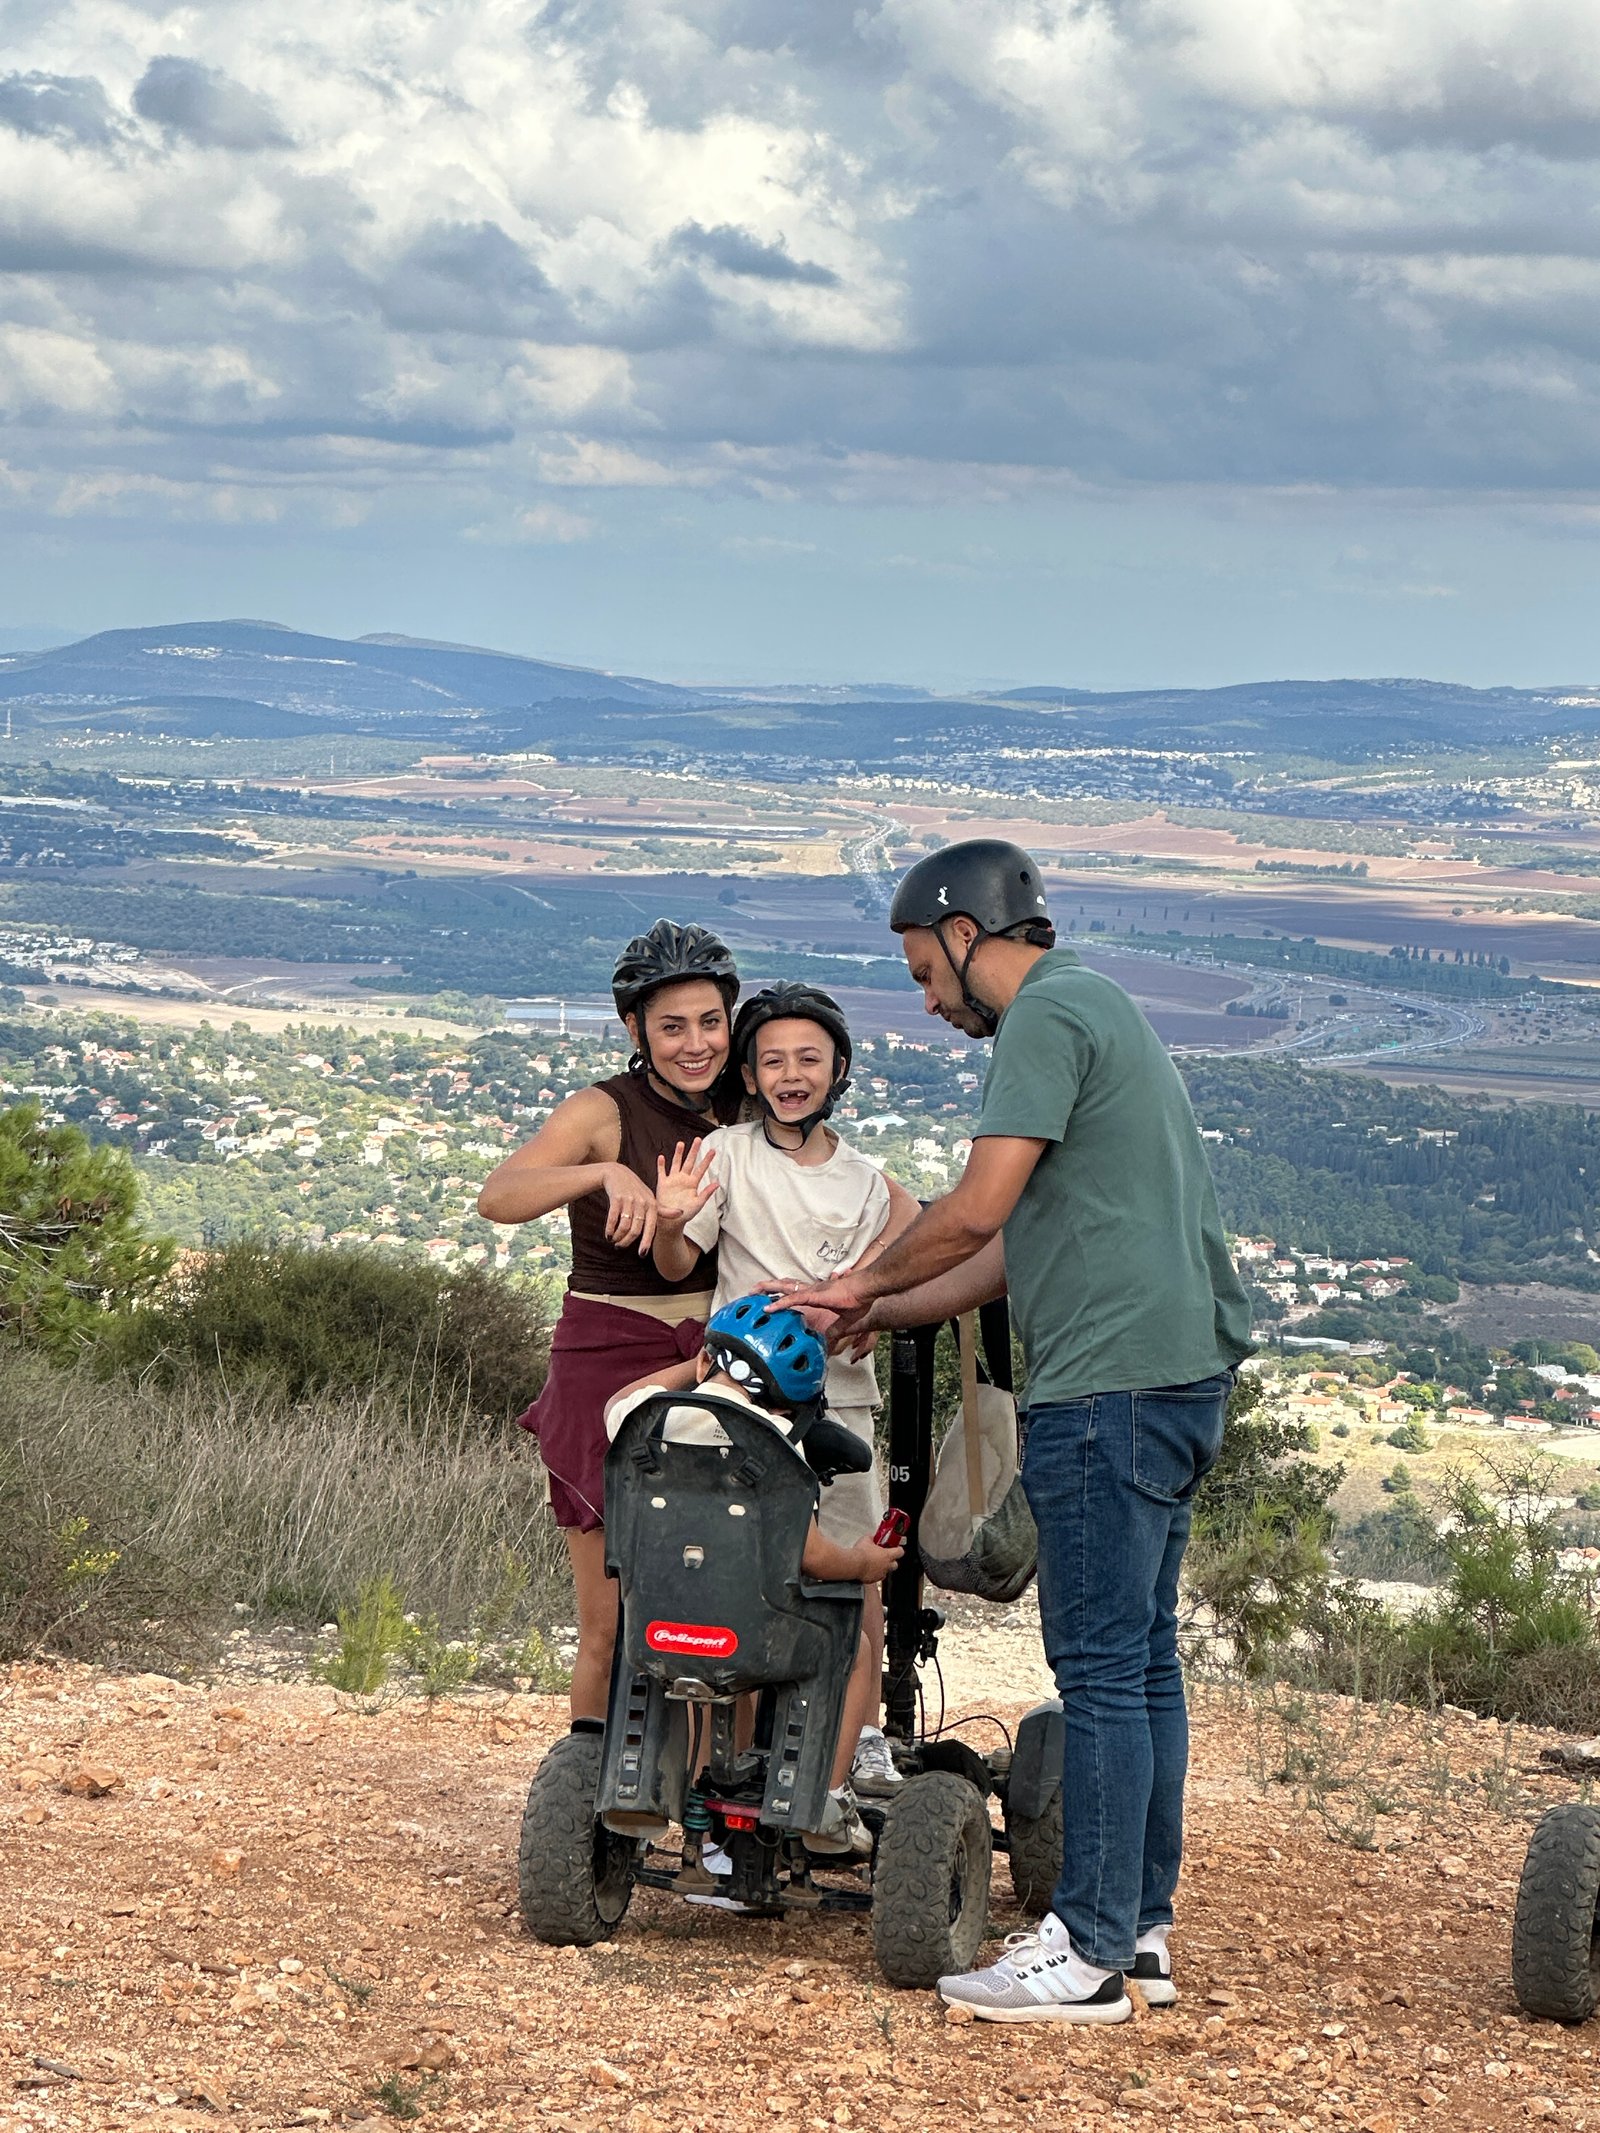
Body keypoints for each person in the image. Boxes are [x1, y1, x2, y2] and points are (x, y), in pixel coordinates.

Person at [787, 838, 1253, 2024]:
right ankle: (1136, 1929)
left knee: (1096, 1668)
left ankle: (1084, 1952)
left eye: (921, 971)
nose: (924, 999)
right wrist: (880, 1309)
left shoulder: (1043, 1017)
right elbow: (1009, 1250)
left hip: (1106, 1390)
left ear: (964, 932)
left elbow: (974, 1209)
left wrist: (853, 1281)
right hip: (1175, 1379)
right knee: (1140, 1662)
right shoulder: (1100, 1005)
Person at [648, 981, 921, 1794]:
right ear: (750, 1073)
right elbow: (676, 1259)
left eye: (809, 1058)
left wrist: (871, 1298)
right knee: (743, 1570)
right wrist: (671, 1220)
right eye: (772, 1060)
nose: (791, 1075)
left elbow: (914, 1229)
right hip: (742, 1399)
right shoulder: (727, 1153)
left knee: (855, 1571)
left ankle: (862, 1736)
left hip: (839, 1398)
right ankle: (737, 1758)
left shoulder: (863, 1178)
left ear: (838, 1069)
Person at [476, 919, 739, 1727]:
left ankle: (708, 1791)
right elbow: (499, 1196)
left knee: (715, 1617)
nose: (696, 1044)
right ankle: (589, 1786)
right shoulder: (603, 1109)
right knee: (610, 1621)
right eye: (672, 1026)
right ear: (635, 1030)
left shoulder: (748, 1104)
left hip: (714, 1363)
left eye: (711, 1022)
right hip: (606, 1360)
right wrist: (602, 1173)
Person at [605, 1295, 904, 1874]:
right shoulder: (778, 1446)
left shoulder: (645, 1421)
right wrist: (863, 1563)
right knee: (854, 1650)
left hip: (656, 1629)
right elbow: (812, 1556)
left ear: (704, 1361)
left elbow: (620, 1399)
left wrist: (698, 1365)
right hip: (748, 1639)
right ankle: (827, 1800)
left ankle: (645, 1790)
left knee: (677, 1657)